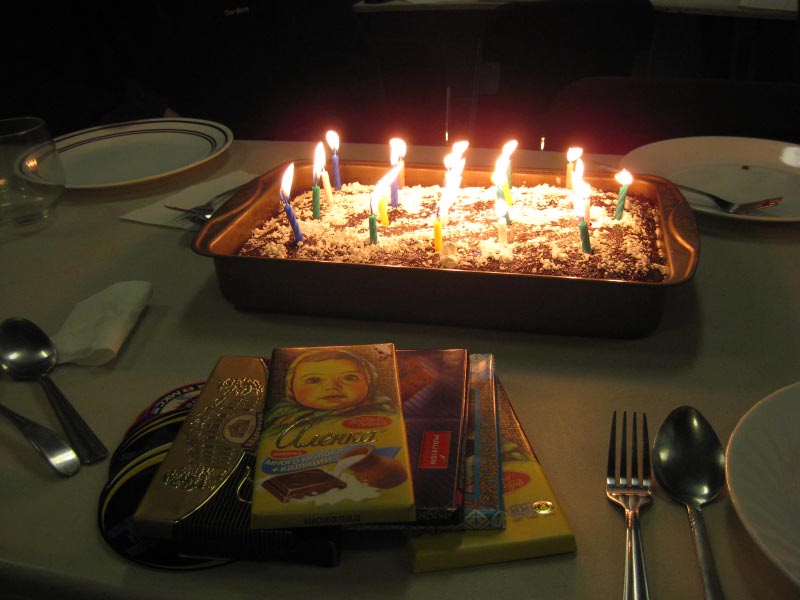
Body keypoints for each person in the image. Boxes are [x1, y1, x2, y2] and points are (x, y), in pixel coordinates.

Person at [2, 1, 385, 141]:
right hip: (149, 153)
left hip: (290, 146)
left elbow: (352, 75)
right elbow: (41, 85)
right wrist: (148, 113)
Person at [265, 349, 397, 434]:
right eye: (314, 380)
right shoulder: (281, 417)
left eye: (349, 377)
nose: (332, 387)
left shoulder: (384, 410)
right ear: (290, 387)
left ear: (370, 381)